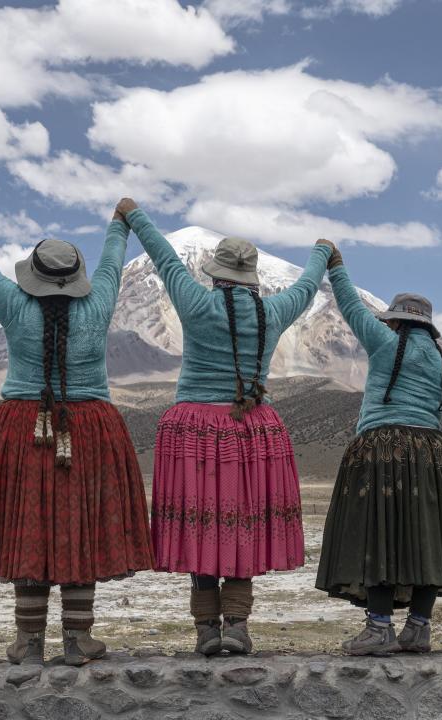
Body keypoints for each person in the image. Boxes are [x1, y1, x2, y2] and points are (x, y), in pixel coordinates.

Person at [0, 200, 152, 666]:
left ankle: (28, 643)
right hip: (91, 428)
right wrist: (117, 223)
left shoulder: (12, 303)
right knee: (77, 524)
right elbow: (111, 264)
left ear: (34, 275)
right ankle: (77, 641)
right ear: (76, 277)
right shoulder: (100, 302)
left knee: (31, 525)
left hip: (23, 426)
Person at [114, 197, 335, 656]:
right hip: (253, 429)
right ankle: (237, 626)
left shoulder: (194, 301)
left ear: (215, 273)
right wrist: (321, 250)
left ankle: (206, 632)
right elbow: (309, 284)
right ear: (252, 277)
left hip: (194, 429)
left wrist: (134, 216)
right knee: (240, 525)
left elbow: (164, 257)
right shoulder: (274, 311)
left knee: (200, 524)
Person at [315, 244, 442, 655]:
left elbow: (349, 307)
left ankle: (378, 629)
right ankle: (418, 628)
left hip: (381, 451)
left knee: (379, 534)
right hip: (434, 456)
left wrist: (337, 266)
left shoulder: (383, 340)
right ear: (428, 327)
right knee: (427, 537)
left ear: (395, 321)